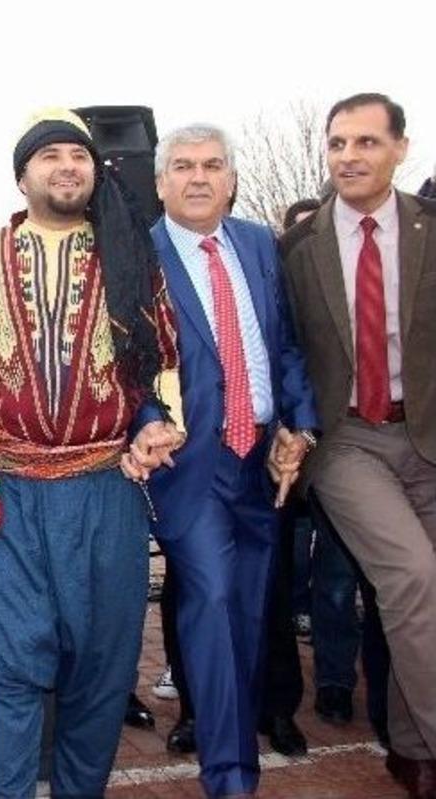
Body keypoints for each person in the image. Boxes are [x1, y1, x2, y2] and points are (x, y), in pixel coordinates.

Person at [0, 108, 184, 799]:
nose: (67, 166)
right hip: (4, 490)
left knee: (102, 670)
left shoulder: (129, 252)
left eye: (79, 155)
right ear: (22, 176)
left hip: (105, 488)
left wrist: (163, 425)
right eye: (51, 156)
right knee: (14, 661)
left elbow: (161, 358)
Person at [148, 123, 318, 796]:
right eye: (183, 165)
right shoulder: (139, 257)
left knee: (248, 616)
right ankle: (230, 777)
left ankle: (235, 749)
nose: (198, 176)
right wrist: (148, 423)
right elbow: (125, 365)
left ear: (232, 179)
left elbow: (287, 347)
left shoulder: (258, 244)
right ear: (160, 182)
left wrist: (300, 426)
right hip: (191, 468)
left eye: (212, 165)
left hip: (263, 465)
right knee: (213, 601)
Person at [280, 92, 436, 799]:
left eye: (367, 142)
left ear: (400, 147)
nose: (349, 157)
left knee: (421, 596)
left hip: (426, 436)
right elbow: (282, 352)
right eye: (338, 143)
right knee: (411, 576)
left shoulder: (431, 229)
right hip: (346, 442)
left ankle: (411, 749)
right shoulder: (296, 251)